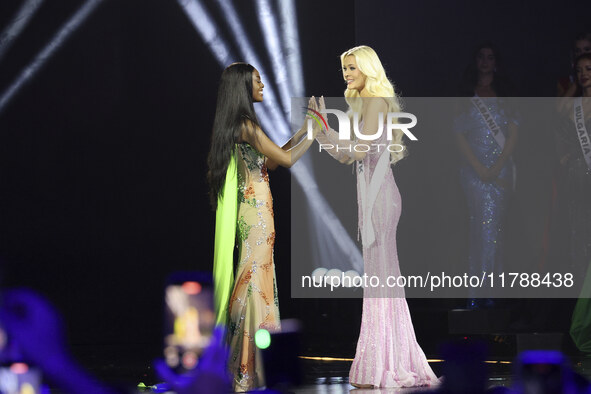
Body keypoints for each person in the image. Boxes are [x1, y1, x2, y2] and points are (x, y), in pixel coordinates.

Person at [315, 45, 438, 388]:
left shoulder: (374, 102)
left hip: (380, 201)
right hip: (374, 197)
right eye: (344, 69)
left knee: (382, 279)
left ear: (368, 68)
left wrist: (324, 127)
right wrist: (322, 130)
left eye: (352, 67)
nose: (347, 74)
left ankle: (389, 361)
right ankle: (386, 357)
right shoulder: (367, 103)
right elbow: (347, 156)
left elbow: (357, 151)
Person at [206, 62, 318, 392]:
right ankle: (246, 369)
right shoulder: (244, 125)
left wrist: (303, 130)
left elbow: (270, 160)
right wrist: (315, 130)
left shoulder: (241, 125)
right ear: (242, 86)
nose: (263, 85)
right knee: (255, 279)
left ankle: (247, 367)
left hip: (257, 211)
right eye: (257, 80)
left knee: (256, 276)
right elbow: (285, 161)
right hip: (255, 213)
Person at [455, 42, 518, 308]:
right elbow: (457, 133)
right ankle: (477, 294)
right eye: (480, 56)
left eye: (490, 57)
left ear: (496, 62)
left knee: (495, 230)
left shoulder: (505, 94)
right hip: (473, 170)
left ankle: (491, 294)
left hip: (501, 169)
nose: (485, 61)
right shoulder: (466, 94)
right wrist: (479, 169)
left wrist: (497, 166)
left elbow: (515, 132)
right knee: (478, 227)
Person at [556, 53, 591, 353]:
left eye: (589, 69)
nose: (584, 74)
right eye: (579, 70)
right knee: (580, 253)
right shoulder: (573, 108)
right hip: (578, 185)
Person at [557, 32, 591, 97]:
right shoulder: (564, 82)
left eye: (587, 49)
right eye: (578, 51)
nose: (582, 54)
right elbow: (560, 106)